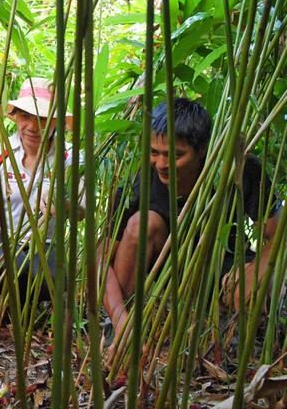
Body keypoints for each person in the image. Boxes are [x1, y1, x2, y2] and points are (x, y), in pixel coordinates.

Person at [101, 98, 282, 338]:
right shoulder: (141, 180)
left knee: (253, 283)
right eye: (154, 153)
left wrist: (256, 270)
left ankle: (232, 342)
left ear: (202, 150)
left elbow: (280, 233)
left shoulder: (238, 168)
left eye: (175, 155)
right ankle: (121, 335)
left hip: (223, 275)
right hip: (169, 282)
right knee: (142, 224)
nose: (162, 164)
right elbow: (100, 260)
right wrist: (119, 316)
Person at [0, 77, 82, 303]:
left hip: (45, 243)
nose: (33, 127)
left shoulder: (70, 159)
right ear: (15, 116)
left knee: (53, 281)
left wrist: (63, 204)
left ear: (57, 121)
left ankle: (15, 308)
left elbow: (82, 212)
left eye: (43, 118)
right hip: (0, 237)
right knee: (13, 267)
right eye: (25, 116)